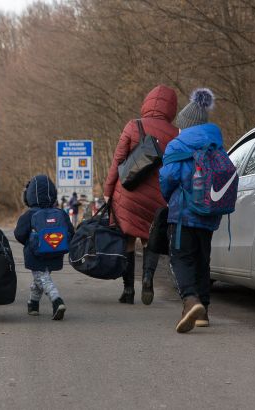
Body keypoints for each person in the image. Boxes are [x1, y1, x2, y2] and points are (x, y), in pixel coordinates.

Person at [104, 85, 179, 305]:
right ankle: (147, 279)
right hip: (157, 197)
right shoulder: (176, 134)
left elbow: (117, 161)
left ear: (147, 103)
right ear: (171, 108)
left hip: (128, 192)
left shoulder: (133, 126)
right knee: (149, 239)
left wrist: (108, 192)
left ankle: (128, 290)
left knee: (128, 239)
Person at [159, 88, 222, 333]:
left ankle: (190, 300)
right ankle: (204, 311)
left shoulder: (177, 145)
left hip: (183, 213)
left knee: (180, 258)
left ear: (185, 124)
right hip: (209, 212)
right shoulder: (217, 143)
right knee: (201, 260)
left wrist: (167, 198)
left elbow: (168, 177)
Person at [14, 175, 73, 320]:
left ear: (29, 196)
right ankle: (33, 304)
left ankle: (56, 300)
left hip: (35, 254)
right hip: (55, 252)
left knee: (42, 277)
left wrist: (29, 243)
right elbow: (71, 233)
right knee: (41, 277)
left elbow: (19, 234)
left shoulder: (29, 215)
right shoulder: (61, 214)